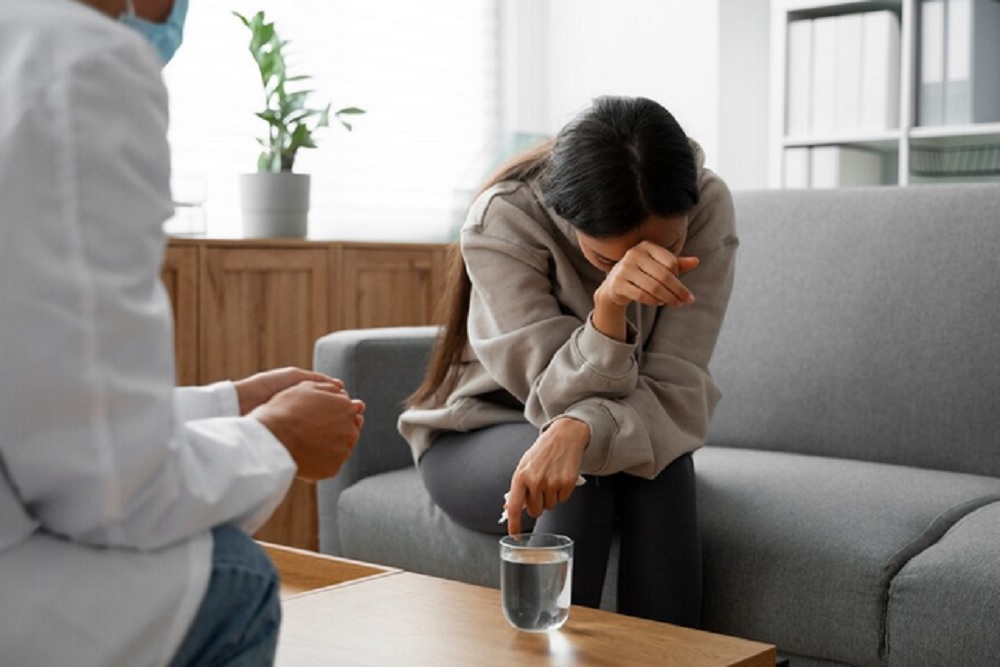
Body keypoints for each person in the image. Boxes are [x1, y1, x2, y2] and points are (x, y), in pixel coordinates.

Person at [0, 0, 365, 665]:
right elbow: (113, 495)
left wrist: (232, 401)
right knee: (236, 576)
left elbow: (32, 397)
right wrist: (275, 438)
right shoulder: (83, 63)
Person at [400, 95, 738, 626]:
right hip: (479, 428)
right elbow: (551, 396)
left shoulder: (707, 203)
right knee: (591, 471)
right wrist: (608, 308)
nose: (641, 269)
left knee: (662, 464)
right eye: (607, 260)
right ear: (566, 216)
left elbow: (677, 385)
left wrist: (578, 429)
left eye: (667, 249)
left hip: (594, 424)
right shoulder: (503, 220)